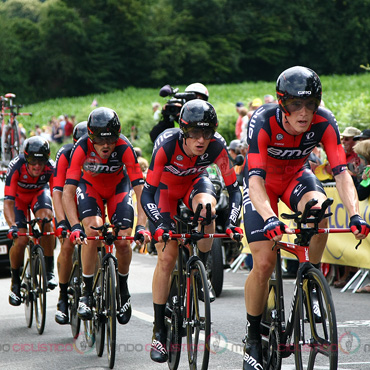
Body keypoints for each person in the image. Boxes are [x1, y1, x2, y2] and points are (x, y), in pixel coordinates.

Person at [242, 66, 370, 370]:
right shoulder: (262, 120)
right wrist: (269, 216)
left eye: (310, 104)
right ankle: (251, 336)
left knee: (319, 208)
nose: (304, 113)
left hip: (296, 177)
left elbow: (341, 173)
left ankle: (311, 277)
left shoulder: (324, 121)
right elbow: (255, 179)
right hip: (262, 183)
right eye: (296, 105)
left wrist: (354, 213)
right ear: (282, 104)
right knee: (263, 262)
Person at [141, 99, 243, 363]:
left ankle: (203, 268)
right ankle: (159, 330)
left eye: (206, 133)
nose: (201, 140)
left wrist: (231, 222)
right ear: (183, 131)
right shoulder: (166, 145)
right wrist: (161, 225)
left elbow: (233, 191)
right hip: (164, 192)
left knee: (208, 210)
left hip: (194, 184)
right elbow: (147, 194)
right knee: (167, 256)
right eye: (195, 134)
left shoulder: (218, 146)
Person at [62, 107, 150, 324]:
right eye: (100, 140)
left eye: (110, 139)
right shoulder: (81, 147)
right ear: (90, 136)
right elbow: (68, 192)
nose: (106, 145)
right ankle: (87, 293)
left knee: (123, 239)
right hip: (90, 187)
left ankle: (123, 289)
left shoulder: (124, 146)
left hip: (118, 189)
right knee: (92, 230)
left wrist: (142, 225)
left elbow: (140, 188)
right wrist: (74, 226)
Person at [4, 136, 57, 306]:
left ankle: (49, 270)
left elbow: (58, 195)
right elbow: (8, 203)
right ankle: (15, 282)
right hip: (18, 199)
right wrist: (12, 226)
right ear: (26, 159)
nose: (37, 166)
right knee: (20, 240)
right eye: (33, 162)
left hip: (38, 195)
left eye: (41, 162)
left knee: (46, 221)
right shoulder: (16, 166)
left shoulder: (51, 168)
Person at [53, 121, 88, 325]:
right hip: (69, 197)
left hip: (92, 195)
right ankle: (63, 296)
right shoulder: (66, 153)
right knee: (67, 243)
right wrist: (62, 223)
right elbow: (58, 192)